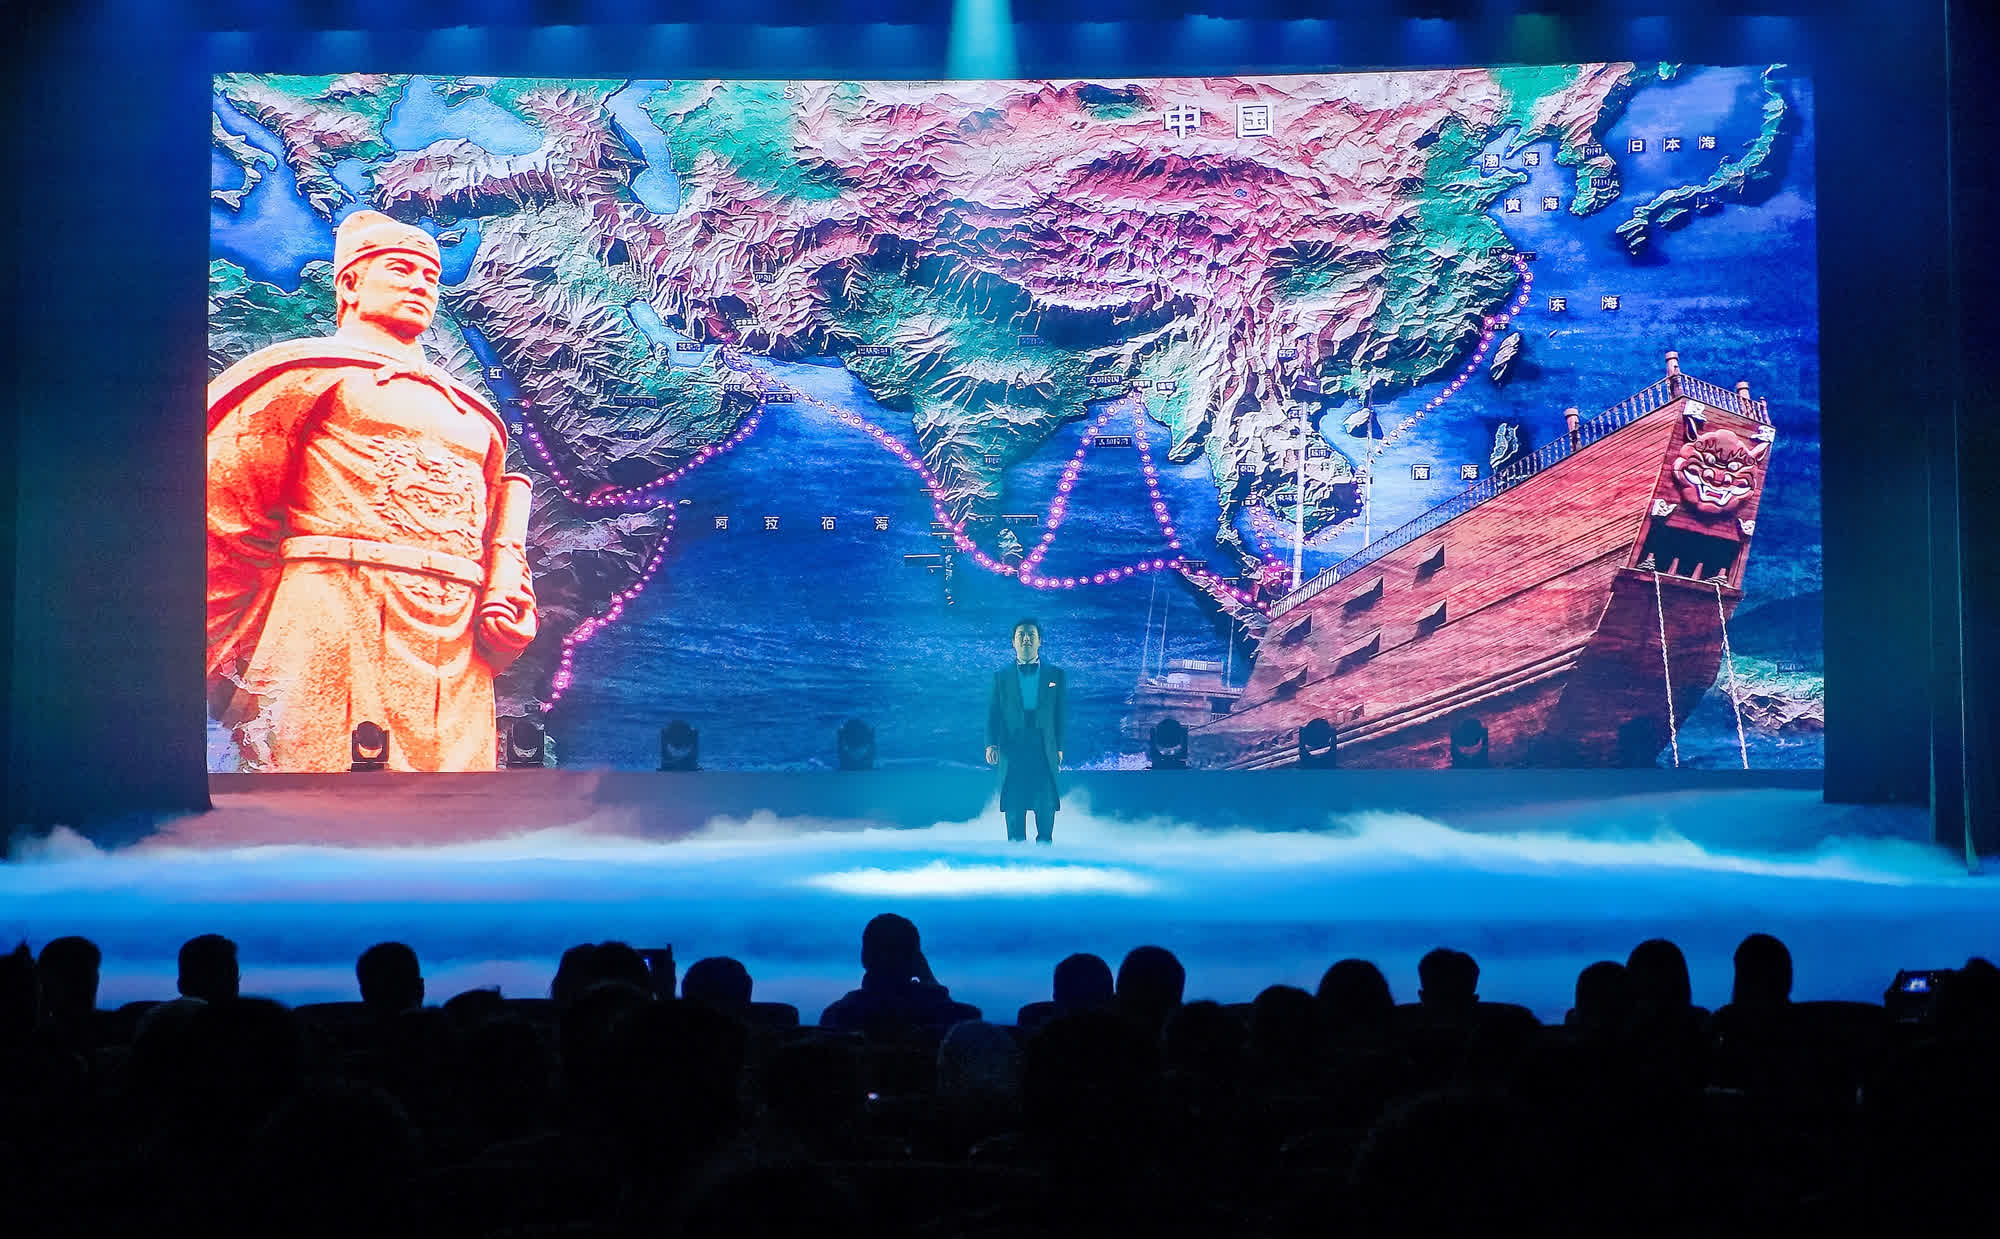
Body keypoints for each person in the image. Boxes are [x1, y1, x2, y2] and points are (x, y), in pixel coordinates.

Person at [206, 210, 538, 772]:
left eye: (430, 276)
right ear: (351, 283)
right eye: (401, 269)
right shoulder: (302, 374)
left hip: (456, 639)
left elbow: (494, 544)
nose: (420, 285)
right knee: (313, 791)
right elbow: (223, 513)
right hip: (333, 611)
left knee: (458, 804)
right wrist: (228, 651)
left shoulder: (477, 417)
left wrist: (509, 598)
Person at [819, 913, 980, 1039]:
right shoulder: (946, 1015)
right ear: (916, 960)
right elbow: (965, 1029)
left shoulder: (836, 1016)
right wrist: (930, 981)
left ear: (864, 956)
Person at [985, 617, 1066, 843]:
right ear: (1013, 642)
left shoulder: (1056, 675)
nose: (1026, 639)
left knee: (1046, 806)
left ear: (1040, 641)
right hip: (1012, 747)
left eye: (1031, 634)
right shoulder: (1000, 676)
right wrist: (990, 744)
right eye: (1021, 635)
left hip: (1043, 747)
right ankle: (1016, 858)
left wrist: (1059, 747)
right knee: (1014, 806)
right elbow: (993, 713)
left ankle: (1045, 855)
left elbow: (1060, 714)